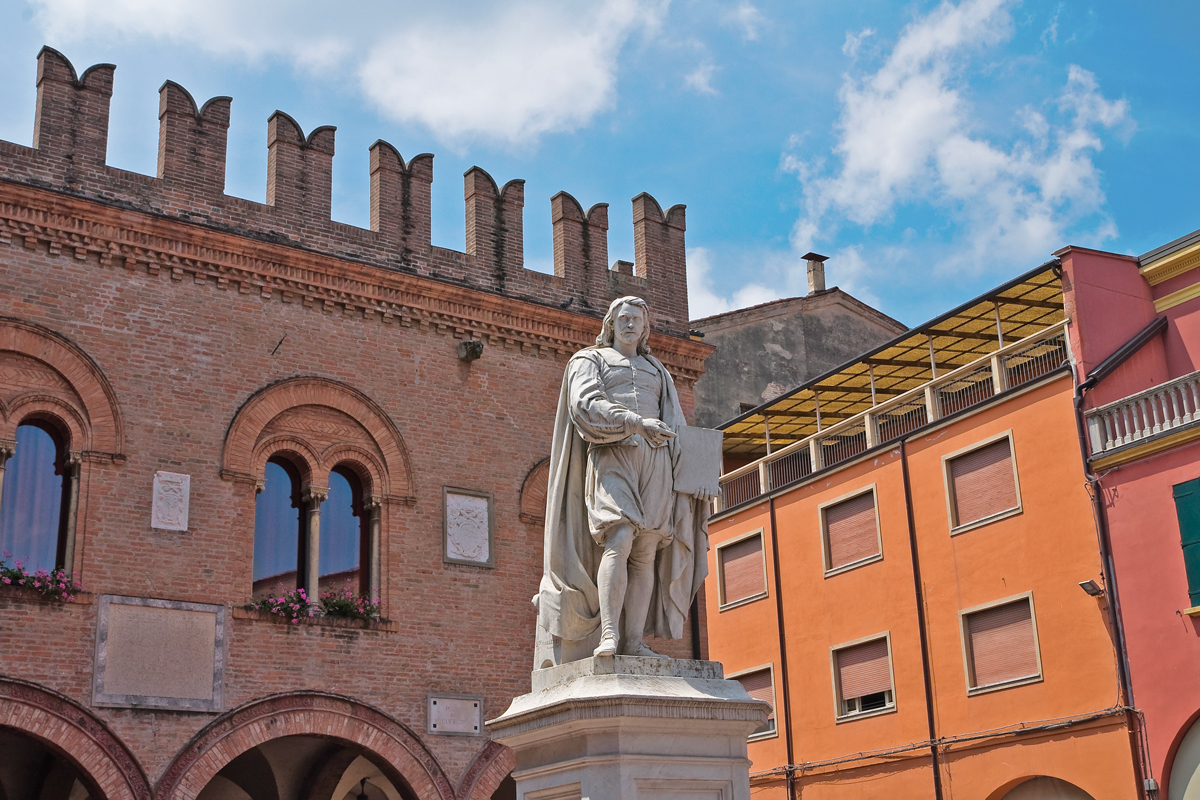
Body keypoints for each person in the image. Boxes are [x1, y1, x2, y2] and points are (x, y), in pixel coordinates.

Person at [536, 296, 714, 660]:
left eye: (637, 319)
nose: (631, 325)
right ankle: (608, 635)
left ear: (646, 326)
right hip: (612, 453)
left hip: (657, 460)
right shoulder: (589, 360)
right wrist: (634, 422)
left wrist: (701, 474)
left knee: (647, 548)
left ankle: (633, 642)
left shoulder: (657, 369)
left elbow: (677, 424)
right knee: (618, 535)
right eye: (624, 319)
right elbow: (584, 405)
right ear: (610, 324)